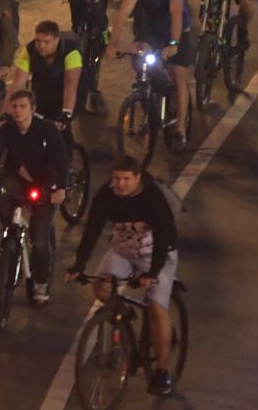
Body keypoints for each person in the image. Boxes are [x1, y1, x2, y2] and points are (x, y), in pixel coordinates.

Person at [68, 156, 182, 395]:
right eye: (117, 179)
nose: (120, 185)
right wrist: (78, 265)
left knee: (155, 308)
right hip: (124, 249)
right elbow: (92, 230)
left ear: (138, 178)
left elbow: (163, 235)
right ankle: (122, 312)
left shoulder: (152, 197)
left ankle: (161, 373)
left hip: (157, 254)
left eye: (126, 180)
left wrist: (152, 273)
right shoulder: (106, 194)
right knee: (101, 288)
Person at [0, 89, 67, 303]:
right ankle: (12, 236)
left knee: (40, 239)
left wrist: (60, 189)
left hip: (46, 184)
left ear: (33, 109)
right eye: (14, 107)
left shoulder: (47, 130)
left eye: (22, 107)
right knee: (2, 200)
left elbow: (62, 160)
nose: (17, 111)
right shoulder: (7, 130)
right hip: (19, 179)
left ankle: (41, 284)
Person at [109, 0, 194, 149]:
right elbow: (124, 12)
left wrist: (173, 44)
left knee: (177, 74)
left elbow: (176, 14)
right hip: (151, 29)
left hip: (176, 30)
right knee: (137, 54)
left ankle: (180, 129)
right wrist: (112, 45)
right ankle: (148, 87)